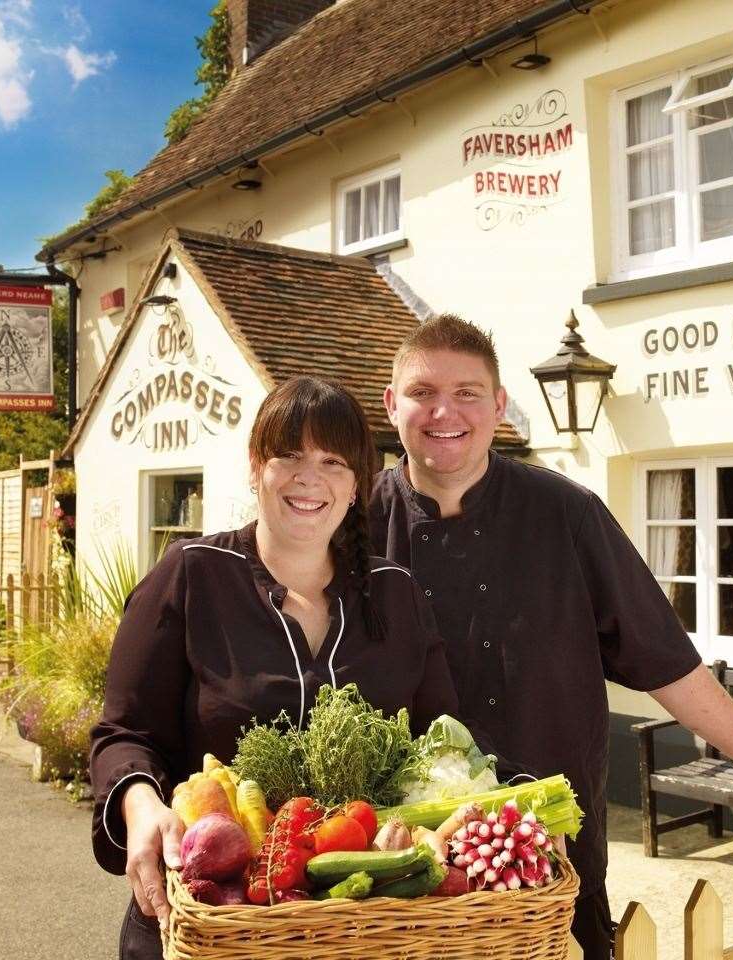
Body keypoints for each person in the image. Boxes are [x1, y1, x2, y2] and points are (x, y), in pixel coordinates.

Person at [370, 315, 733, 960]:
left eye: (468, 392)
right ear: (393, 404)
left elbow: (670, 665)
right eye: (423, 392)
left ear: (499, 405)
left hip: (551, 848)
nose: (445, 411)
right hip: (399, 867)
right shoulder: (353, 524)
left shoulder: (568, 514)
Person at [90, 376, 461, 960]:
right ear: (256, 465)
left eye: (333, 460)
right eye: (289, 455)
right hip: (214, 915)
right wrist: (141, 805)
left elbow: (443, 742)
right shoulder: (192, 575)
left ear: (357, 482)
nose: (309, 477)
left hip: (365, 928)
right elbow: (124, 734)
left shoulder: (396, 592)